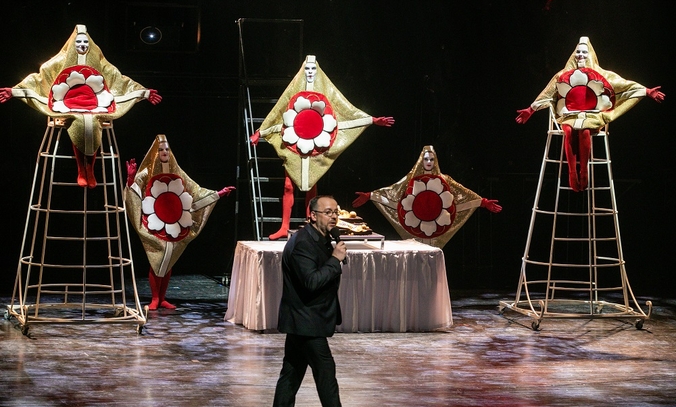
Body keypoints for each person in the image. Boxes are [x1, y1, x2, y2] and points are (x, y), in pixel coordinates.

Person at [250, 54, 394, 240]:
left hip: (316, 144)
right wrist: (259, 132)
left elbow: (345, 112)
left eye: (313, 70)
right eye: (307, 70)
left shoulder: (328, 92)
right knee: (288, 186)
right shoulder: (293, 90)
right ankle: (284, 226)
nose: (310, 73)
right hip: (295, 143)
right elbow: (278, 112)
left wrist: (372, 120)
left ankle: (310, 224)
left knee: (311, 185)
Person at [0, 24, 162, 188]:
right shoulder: (59, 61)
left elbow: (118, 79)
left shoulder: (100, 62)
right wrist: (16, 91)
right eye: (78, 43)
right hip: (66, 104)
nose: (82, 45)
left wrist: (143, 92)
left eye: (85, 42)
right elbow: (40, 78)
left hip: (95, 105)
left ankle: (90, 168)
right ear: (72, 45)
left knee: (91, 122)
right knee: (80, 121)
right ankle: (81, 168)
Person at [516, 36, 665, 191]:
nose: (581, 55)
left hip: (592, 115)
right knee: (568, 131)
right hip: (570, 114)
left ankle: (584, 170)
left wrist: (646, 91)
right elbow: (548, 93)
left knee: (584, 131)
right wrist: (531, 109)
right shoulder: (563, 75)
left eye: (584, 52)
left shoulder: (600, 74)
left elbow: (622, 84)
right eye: (578, 52)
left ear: (590, 55)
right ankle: (572, 172)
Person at [269, 195, 357, 407]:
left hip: (304, 320)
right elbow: (311, 282)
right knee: (326, 376)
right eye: (327, 212)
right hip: (306, 321)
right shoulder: (303, 244)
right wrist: (334, 260)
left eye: (335, 212)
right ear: (313, 215)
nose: (333, 216)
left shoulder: (321, 238)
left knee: (291, 376)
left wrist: (332, 256)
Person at [125, 134, 235, 310]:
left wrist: (218, 194)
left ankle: (162, 298)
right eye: (161, 149)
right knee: (157, 260)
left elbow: (195, 192)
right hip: (155, 222)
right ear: (155, 152)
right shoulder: (147, 171)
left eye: (167, 149)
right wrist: (131, 178)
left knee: (169, 261)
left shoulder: (177, 172)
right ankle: (154, 298)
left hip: (174, 222)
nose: (164, 152)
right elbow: (135, 189)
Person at [353, 145, 501, 249]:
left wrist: (482, 202)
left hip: (435, 228)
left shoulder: (445, 180)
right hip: (416, 225)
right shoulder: (410, 180)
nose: (429, 162)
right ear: (421, 160)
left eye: (431, 159)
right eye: (426, 159)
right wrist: (371, 196)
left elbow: (462, 196)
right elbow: (393, 194)